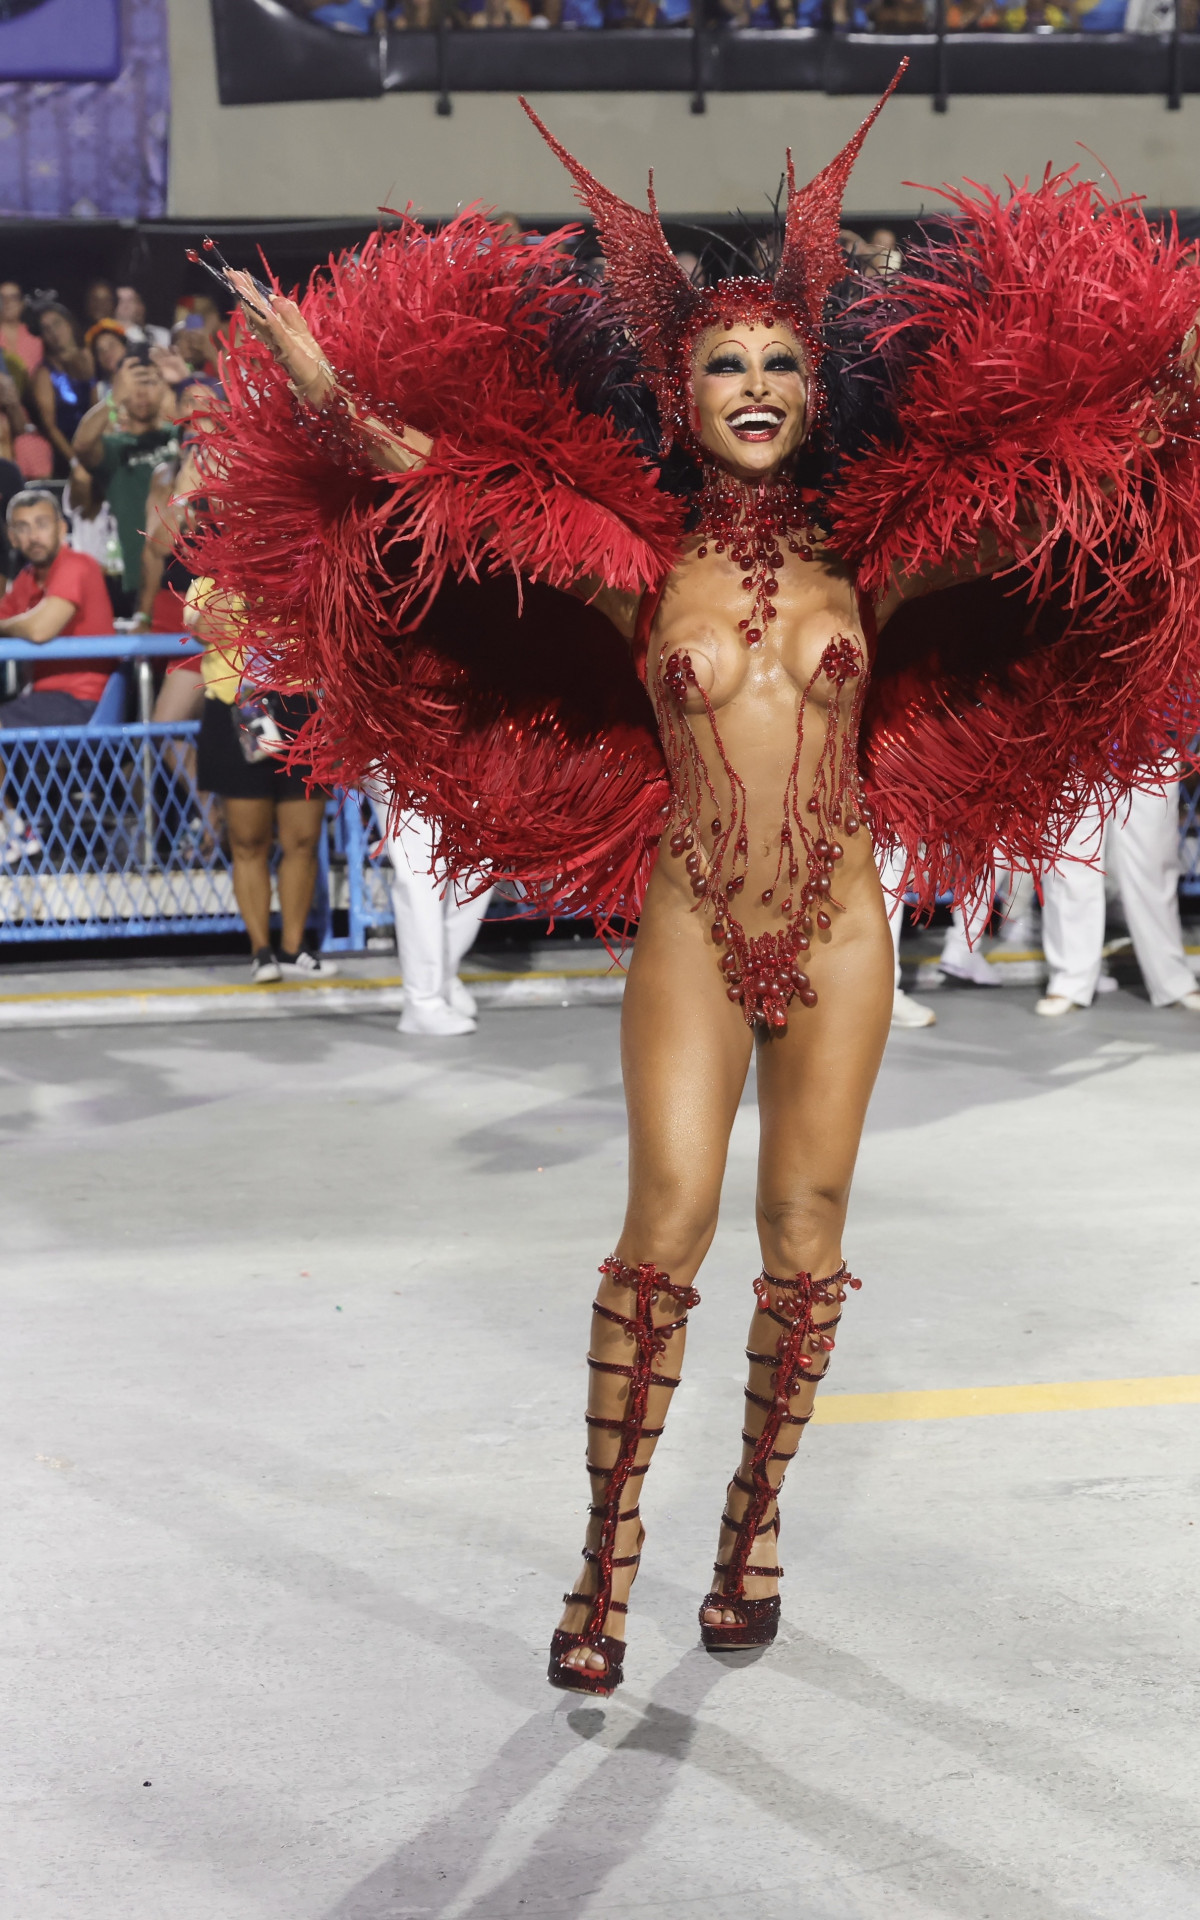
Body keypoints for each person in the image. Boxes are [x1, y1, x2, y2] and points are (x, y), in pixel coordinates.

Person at [195, 74, 1200, 1697]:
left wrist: (1176, 385)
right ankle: (605, 1560)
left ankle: (752, 1521)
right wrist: (312, 373)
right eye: (724, 361)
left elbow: (1074, 483)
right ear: (678, 385)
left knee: (805, 1242)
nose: (753, 381)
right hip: (690, 915)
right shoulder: (628, 566)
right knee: (658, 1235)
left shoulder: (880, 564)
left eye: (780, 362)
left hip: (843, 921)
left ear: (819, 391)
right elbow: (421, 471)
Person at [186, 579, 340, 983]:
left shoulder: (307, 567)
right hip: (240, 708)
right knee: (248, 840)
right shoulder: (207, 579)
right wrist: (236, 578)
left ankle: (293, 947)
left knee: (303, 839)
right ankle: (261, 950)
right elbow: (205, 630)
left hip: (302, 706)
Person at [0, 490, 114, 863]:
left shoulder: (78, 565)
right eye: (23, 527)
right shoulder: (26, 580)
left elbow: (40, 629)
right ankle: (14, 827)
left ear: (61, 529)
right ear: (12, 536)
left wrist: (10, 626)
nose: (34, 535)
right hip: (44, 701)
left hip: (84, 702)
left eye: (42, 524)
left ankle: (12, 830)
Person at [1036, 785, 1200, 1017]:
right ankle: (1069, 980)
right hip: (1070, 751)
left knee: (1153, 860)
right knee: (1069, 856)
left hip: (1149, 750)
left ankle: (1172, 978)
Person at [369, 795, 493, 1034]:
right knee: (421, 863)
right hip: (402, 758)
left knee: (482, 855)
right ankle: (423, 1000)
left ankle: (443, 976)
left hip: (477, 758)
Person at [71, 353, 179, 618]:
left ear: (164, 387)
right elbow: (82, 446)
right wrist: (113, 398)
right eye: (133, 385)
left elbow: (224, 433)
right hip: (140, 580)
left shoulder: (182, 434)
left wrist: (183, 384)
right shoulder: (115, 448)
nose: (141, 393)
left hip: (192, 576)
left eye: (150, 382)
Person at [29, 301, 95, 479]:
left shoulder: (90, 356)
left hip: (97, 445)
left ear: (68, 323)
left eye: (57, 323)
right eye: (46, 329)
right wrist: (75, 461)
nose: (53, 332)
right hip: (67, 453)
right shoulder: (44, 372)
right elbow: (50, 427)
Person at [0, 281, 42, 376]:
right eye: (2, 298)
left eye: (13, 298)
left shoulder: (35, 337)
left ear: (22, 304)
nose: (7, 302)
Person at [113, 285, 170, 351]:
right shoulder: (109, 335)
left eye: (130, 300)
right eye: (120, 301)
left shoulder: (162, 334)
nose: (126, 305)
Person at [85, 319, 128, 400]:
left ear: (125, 347)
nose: (107, 353)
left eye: (112, 345)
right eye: (100, 351)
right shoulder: (98, 390)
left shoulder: (143, 378)